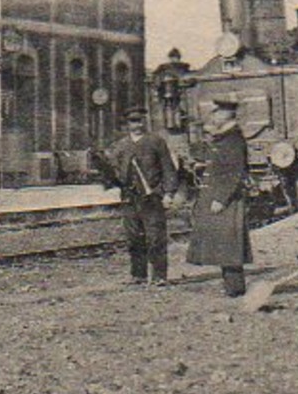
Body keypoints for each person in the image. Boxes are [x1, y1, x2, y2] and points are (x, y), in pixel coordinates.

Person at [101, 107, 178, 286]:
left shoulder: (156, 142)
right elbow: (115, 172)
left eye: (140, 120)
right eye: (132, 121)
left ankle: (159, 276)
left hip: (152, 197)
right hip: (130, 198)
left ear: (145, 121)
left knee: (155, 236)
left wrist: (169, 193)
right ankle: (138, 275)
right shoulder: (121, 146)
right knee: (134, 237)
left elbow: (168, 168)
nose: (137, 125)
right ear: (127, 124)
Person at [187, 97, 254, 296]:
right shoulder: (224, 137)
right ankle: (231, 286)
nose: (214, 116)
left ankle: (235, 288)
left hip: (225, 199)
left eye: (217, 113)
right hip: (218, 197)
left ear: (226, 115)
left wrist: (221, 198)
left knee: (230, 243)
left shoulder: (233, 138)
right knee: (224, 243)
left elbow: (235, 172)